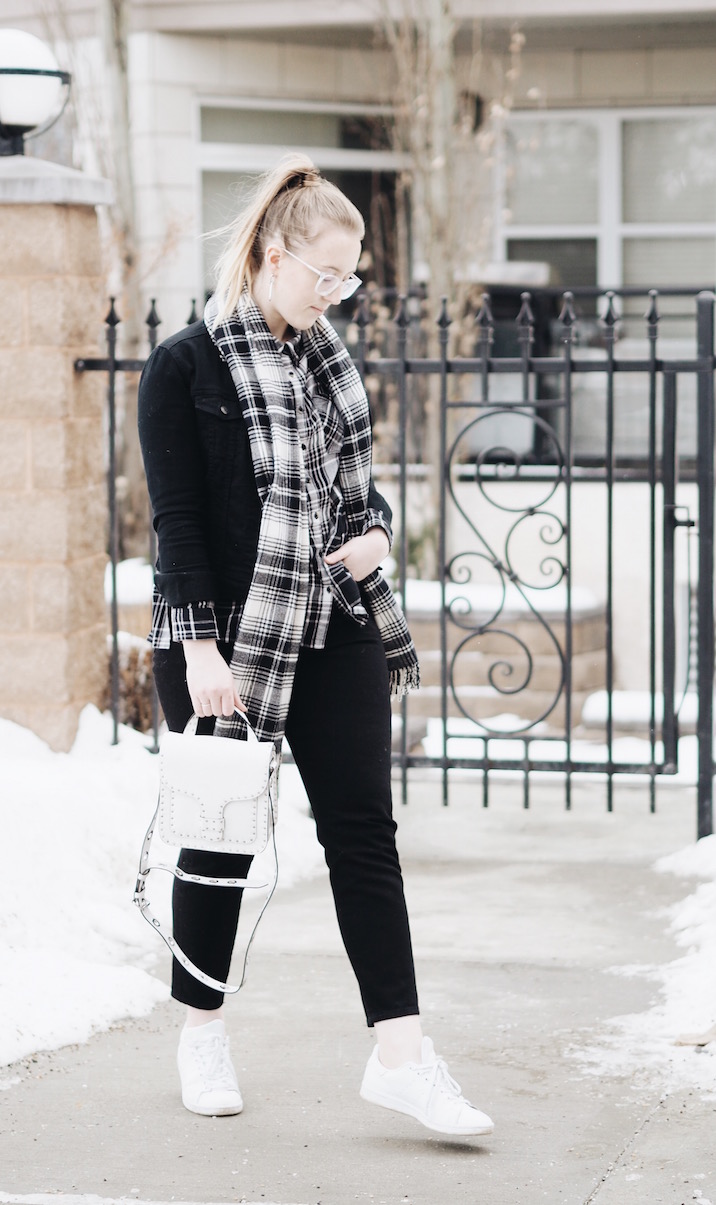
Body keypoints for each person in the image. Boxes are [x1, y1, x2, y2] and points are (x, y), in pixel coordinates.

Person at [137, 153, 493, 1138]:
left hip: (329, 621)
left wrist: (376, 528)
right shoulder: (185, 365)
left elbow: (353, 492)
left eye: (352, 277)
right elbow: (178, 524)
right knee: (219, 842)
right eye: (327, 274)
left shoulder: (332, 364)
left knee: (364, 837)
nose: (339, 293)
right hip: (222, 639)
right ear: (274, 252)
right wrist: (202, 649)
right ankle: (201, 1027)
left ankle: (403, 1057)